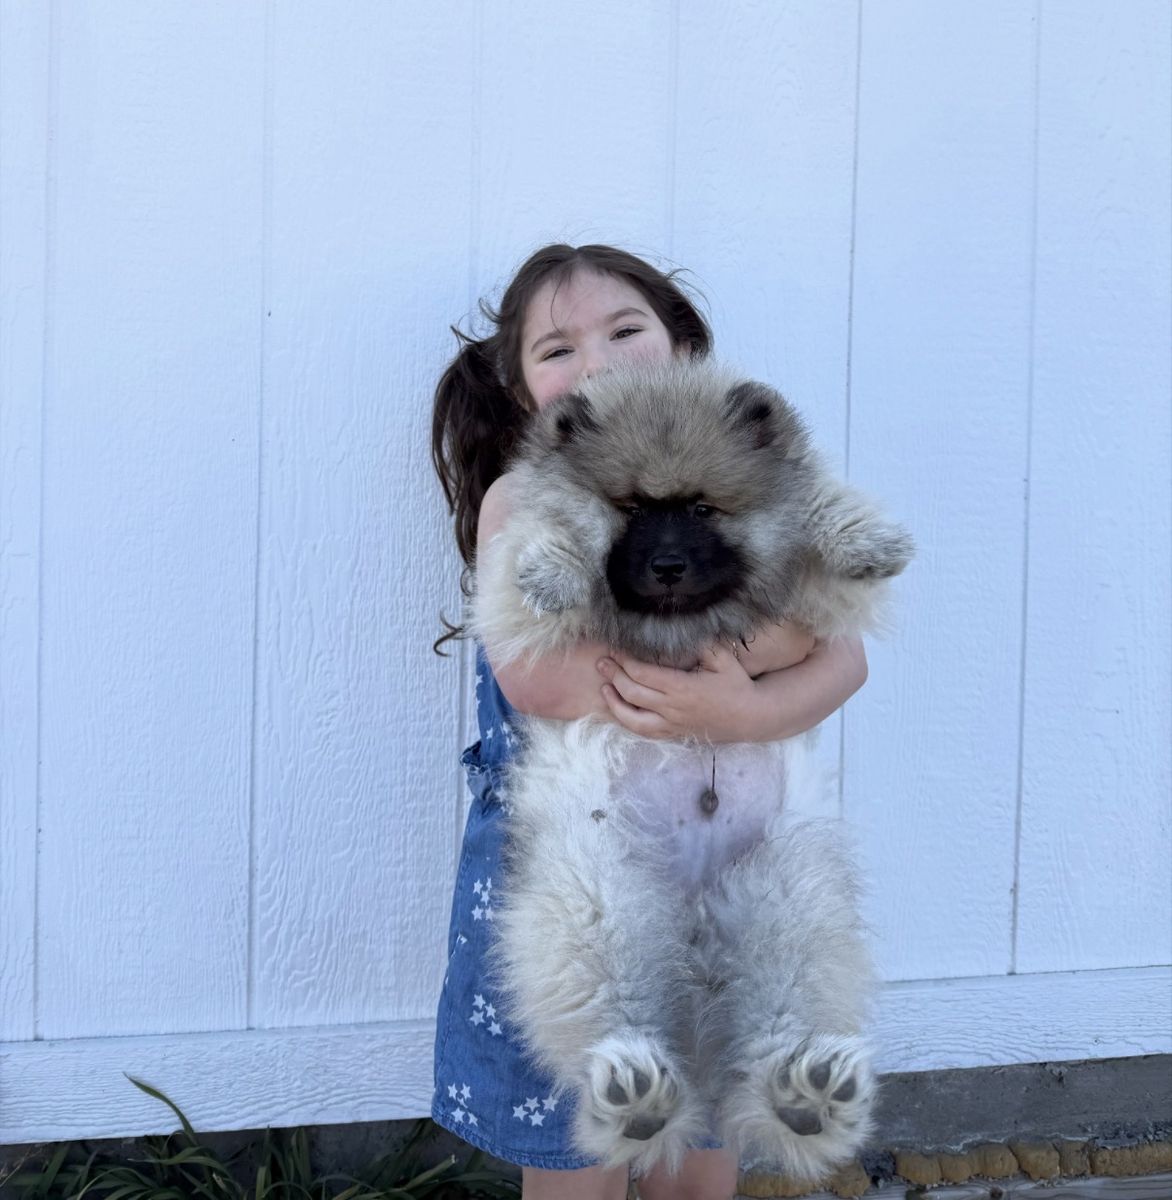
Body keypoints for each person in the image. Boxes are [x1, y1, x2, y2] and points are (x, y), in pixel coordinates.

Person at [429, 244, 868, 1200]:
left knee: (702, 1151)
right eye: (557, 350)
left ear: (683, 347)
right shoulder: (526, 499)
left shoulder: (751, 484)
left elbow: (842, 653)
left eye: (625, 330)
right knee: (579, 1157)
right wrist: (733, 662)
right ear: (522, 391)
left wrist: (746, 706)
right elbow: (538, 673)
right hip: (574, 894)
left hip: (726, 892)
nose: (597, 360)